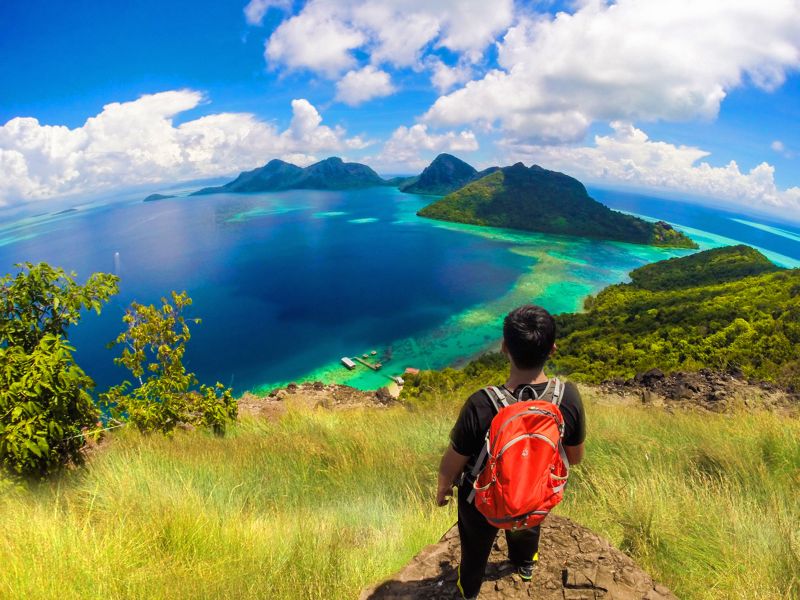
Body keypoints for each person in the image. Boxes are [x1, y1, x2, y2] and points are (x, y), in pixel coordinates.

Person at [436, 304, 586, 600]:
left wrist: (443, 487)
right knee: (526, 526)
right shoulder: (567, 397)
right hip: (534, 492)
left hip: (482, 502)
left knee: (475, 545)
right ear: (553, 349)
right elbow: (576, 457)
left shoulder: (481, 403)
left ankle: (470, 589)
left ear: (504, 348)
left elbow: (453, 462)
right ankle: (525, 564)